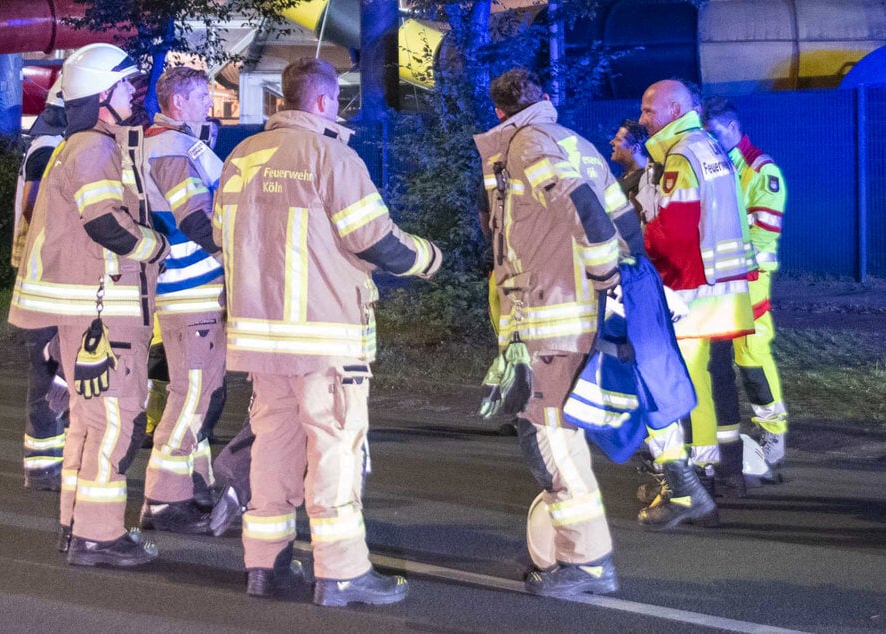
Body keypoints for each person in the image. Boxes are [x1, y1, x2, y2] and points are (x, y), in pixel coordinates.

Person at [213, 57, 442, 607]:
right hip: (324, 336)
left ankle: (265, 566)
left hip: (260, 338)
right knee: (335, 448)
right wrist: (429, 258)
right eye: (336, 99)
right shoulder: (331, 156)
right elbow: (374, 240)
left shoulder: (242, 156)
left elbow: (222, 234)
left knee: (273, 447)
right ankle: (342, 573)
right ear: (322, 101)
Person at [473, 68, 642, 599]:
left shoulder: (527, 146)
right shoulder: (578, 143)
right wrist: (626, 278)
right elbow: (625, 221)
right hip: (576, 314)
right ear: (546, 98)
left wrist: (604, 272)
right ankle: (574, 551)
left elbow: (582, 208)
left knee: (552, 439)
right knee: (547, 433)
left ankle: (587, 562)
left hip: (556, 318)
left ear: (499, 111)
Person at [8, 43, 169, 567]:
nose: (131, 94)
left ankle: (76, 526)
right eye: (124, 86)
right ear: (103, 96)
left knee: (87, 422)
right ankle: (98, 537)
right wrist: (156, 246)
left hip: (90, 312)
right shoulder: (95, 149)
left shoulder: (80, 146)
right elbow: (105, 223)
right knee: (114, 424)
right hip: (106, 313)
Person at [635, 79, 755, 529]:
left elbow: (675, 231)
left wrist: (636, 245)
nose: (643, 119)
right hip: (718, 285)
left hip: (690, 286)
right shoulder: (706, 146)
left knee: (668, 386)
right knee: (697, 381)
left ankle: (684, 486)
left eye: (649, 110)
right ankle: (703, 472)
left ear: (674, 109)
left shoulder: (682, 155)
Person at [135, 66, 227, 534]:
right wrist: (236, 255)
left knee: (200, 390)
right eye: (202, 96)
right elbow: (195, 217)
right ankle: (164, 499)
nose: (209, 104)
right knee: (192, 392)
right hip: (193, 288)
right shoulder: (172, 148)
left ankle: (196, 484)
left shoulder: (160, 142)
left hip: (181, 286)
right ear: (178, 103)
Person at [703, 97, 788, 478]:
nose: (711, 140)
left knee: (750, 356)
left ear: (734, 128)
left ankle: (773, 432)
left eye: (716, 133)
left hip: (749, 279)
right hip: (718, 279)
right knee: (711, 360)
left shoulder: (760, 171)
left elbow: (763, 235)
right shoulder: (717, 166)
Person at [12, 75, 70, 491]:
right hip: (46, 279)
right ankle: (44, 466)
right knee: (49, 372)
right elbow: (36, 212)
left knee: (54, 372)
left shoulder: (48, 142)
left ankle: (47, 462)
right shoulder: (50, 148)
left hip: (45, 276)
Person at [609, 118, 649, 217]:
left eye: (618, 140)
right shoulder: (622, 179)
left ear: (635, 148)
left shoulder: (648, 180)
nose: (611, 142)